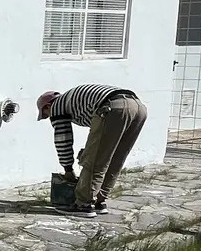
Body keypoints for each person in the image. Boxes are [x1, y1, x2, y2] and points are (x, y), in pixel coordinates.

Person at [37, 85, 148, 216]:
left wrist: (68, 169)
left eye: (46, 114)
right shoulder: (74, 101)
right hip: (138, 108)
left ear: (47, 106)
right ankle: (100, 201)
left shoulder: (57, 106)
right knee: (115, 158)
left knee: (94, 160)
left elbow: (63, 140)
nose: (49, 117)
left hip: (112, 107)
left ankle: (83, 204)